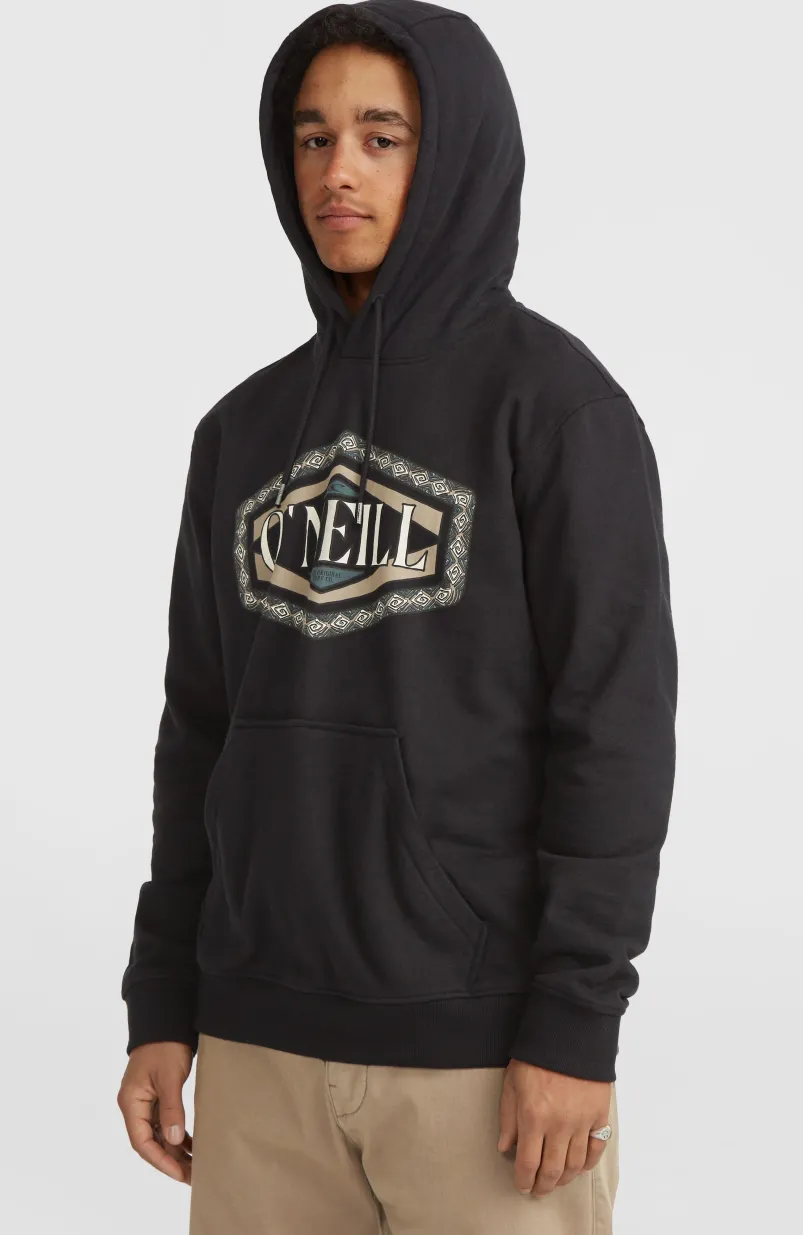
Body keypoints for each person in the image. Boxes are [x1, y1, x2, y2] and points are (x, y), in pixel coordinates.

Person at [117, 3, 677, 1232]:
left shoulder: (557, 410)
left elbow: (613, 729)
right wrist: (162, 999)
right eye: (312, 137)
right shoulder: (241, 431)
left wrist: (573, 1019)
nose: (339, 171)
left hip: (481, 1057)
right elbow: (198, 730)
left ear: (458, 152)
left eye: (383, 136)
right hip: (257, 1040)